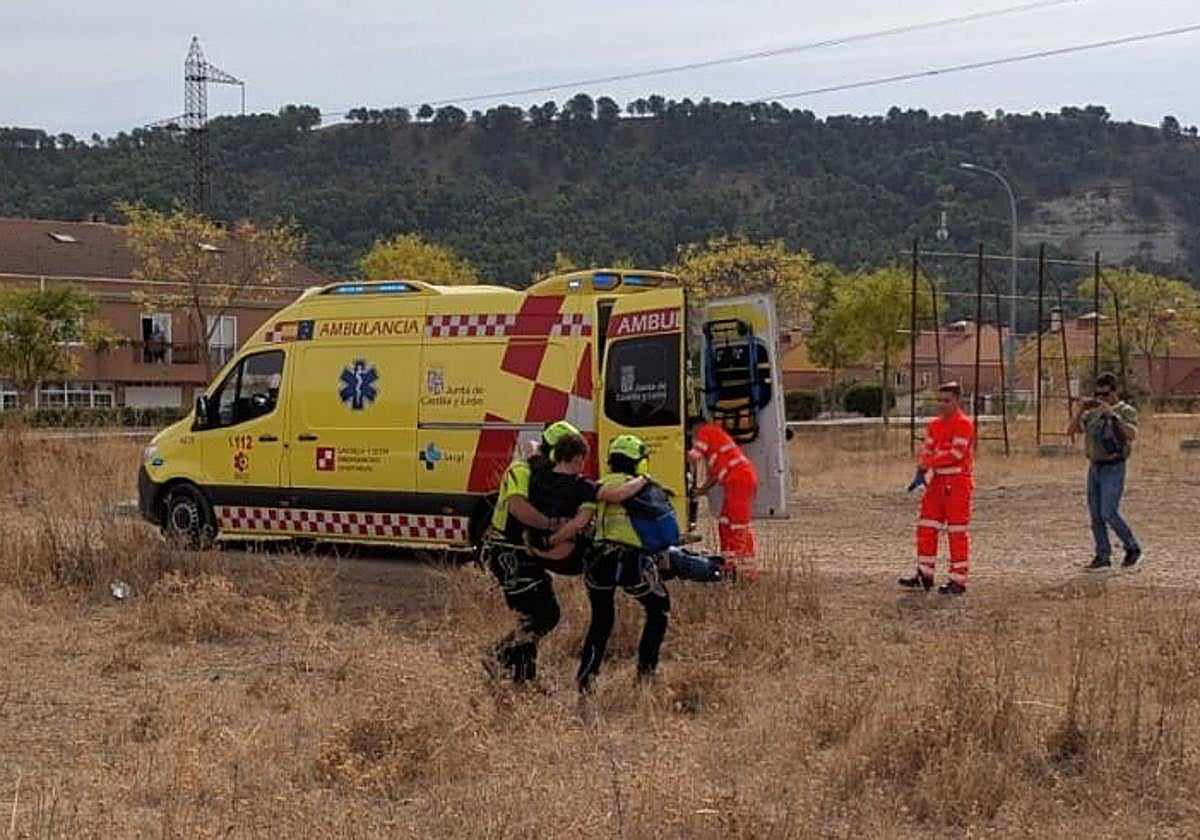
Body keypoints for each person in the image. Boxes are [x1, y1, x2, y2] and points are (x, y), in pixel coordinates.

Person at [480, 420, 581, 684]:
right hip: (507, 552)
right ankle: (498, 658)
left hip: (523, 553)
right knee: (542, 614)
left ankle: (520, 676)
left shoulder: (545, 475)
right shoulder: (521, 470)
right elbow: (518, 508)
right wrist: (552, 525)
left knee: (540, 613)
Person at [576, 434, 671, 692]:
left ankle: (586, 680)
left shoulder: (598, 484)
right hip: (631, 562)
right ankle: (645, 676)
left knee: (601, 620)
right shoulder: (642, 486)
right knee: (659, 610)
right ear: (639, 462)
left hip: (598, 562)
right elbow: (663, 531)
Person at [899, 382, 975, 596]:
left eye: (947, 401)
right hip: (937, 483)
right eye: (940, 400)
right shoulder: (934, 425)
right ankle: (925, 574)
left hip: (958, 483)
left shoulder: (964, 424)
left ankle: (958, 580)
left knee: (956, 532)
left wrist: (929, 463)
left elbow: (956, 454)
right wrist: (924, 464)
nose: (942, 405)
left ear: (957, 401)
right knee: (926, 527)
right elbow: (927, 449)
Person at [1067, 372, 1141, 572]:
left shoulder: (1126, 411)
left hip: (1114, 467)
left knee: (1109, 511)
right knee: (1096, 515)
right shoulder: (1092, 413)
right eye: (1098, 395)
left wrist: (1113, 415)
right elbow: (1072, 430)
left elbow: (1132, 434)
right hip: (1095, 467)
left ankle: (1131, 546)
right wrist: (1081, 408)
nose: (1102, 398)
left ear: (1114, 393)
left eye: (1106, 394)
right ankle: (1102, 555)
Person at [688, 420, 759, 578]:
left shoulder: (706, 431)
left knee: (737, 526)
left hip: (739, 480)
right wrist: (700, 491)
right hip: (739, 480)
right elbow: (713, 475)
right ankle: (731, 564)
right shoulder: (715, 440)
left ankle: (742, 571)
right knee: (725, 523)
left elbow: (693, 456)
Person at [526, 432, 598, 566]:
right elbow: (579, 523)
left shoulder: (539, 471)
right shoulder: (585, 486)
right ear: (578, 458)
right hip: (565, 553)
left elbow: (531, 446)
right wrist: (550, 541)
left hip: (534, 548)